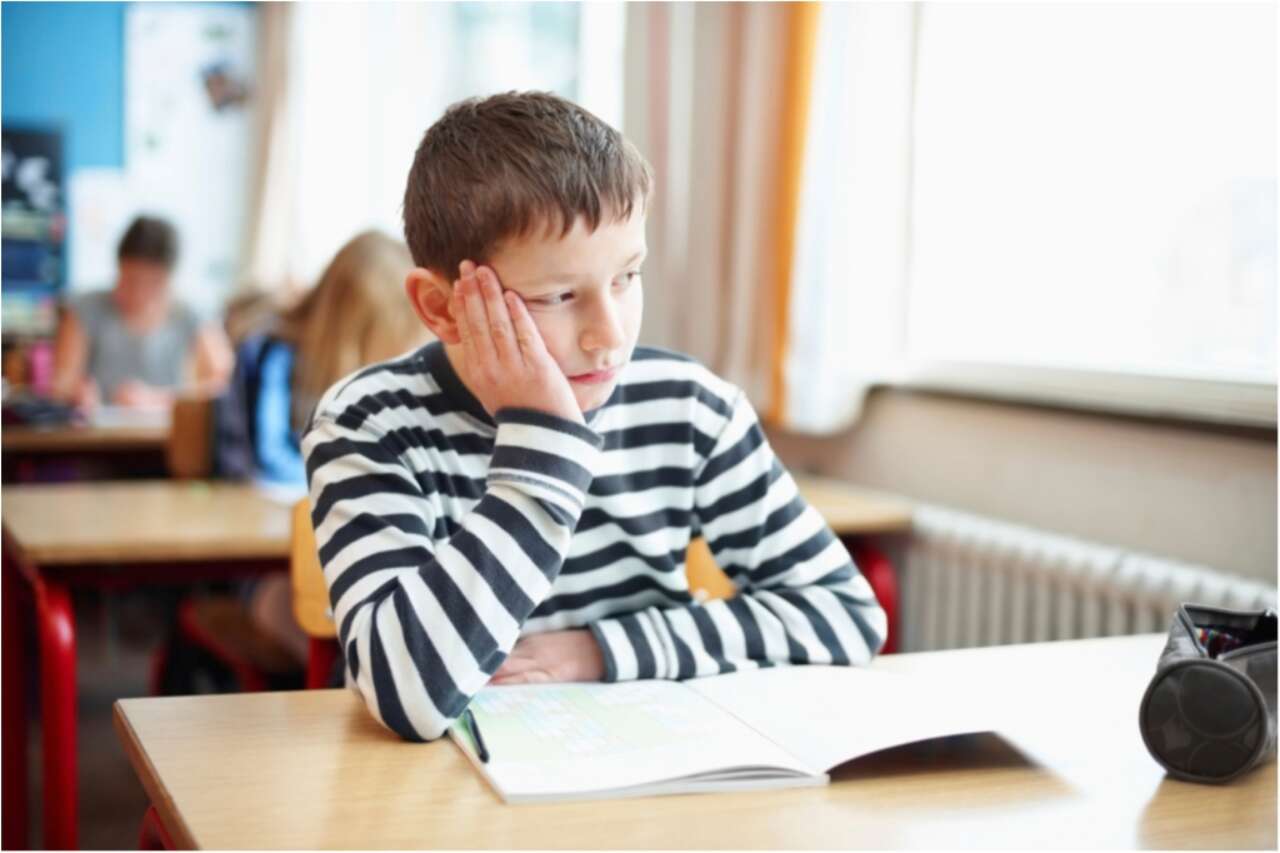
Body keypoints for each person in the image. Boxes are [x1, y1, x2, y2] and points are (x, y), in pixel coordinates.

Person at [301, 92, 888, 742]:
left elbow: (845, 613)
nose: (608, 335)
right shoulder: (367, 423)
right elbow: (406, 693)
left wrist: (600, 650)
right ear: (440, 309)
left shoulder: (689, 407)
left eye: (627, 277)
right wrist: (542, 450)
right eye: (558, 295)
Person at [217, 230, 429, 664]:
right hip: (265, 563)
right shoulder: (268, 355)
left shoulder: (394, 378)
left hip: (351, 550)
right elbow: (269, 466)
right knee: (341, 633)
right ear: (352, 326)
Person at [50, 215, 232, 410]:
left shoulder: (192, 315)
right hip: (97, 436)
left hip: (166, 436)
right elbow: (61, 383)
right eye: (129, 279)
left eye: (151, 284)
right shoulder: (84, 308)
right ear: (118, 266)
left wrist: (159, 400)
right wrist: (75, 394)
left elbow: (224, 385)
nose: (138, 293)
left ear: (169, 280)